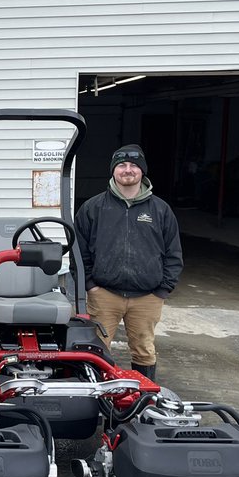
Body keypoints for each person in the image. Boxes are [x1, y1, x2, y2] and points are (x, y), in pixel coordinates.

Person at [74, 143, 183, 382]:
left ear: (142, 170)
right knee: (96, 350)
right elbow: (78, 251)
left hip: (147, 297)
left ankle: (144, 398)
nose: (127, 170)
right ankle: (98, 398)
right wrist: (90, 284)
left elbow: (173, 254)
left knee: (144, 350)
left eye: (134, 165)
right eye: (121, 165)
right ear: (113, 170)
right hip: (104, 295)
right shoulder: (93, 207)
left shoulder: (161, 210)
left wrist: (162, 290)